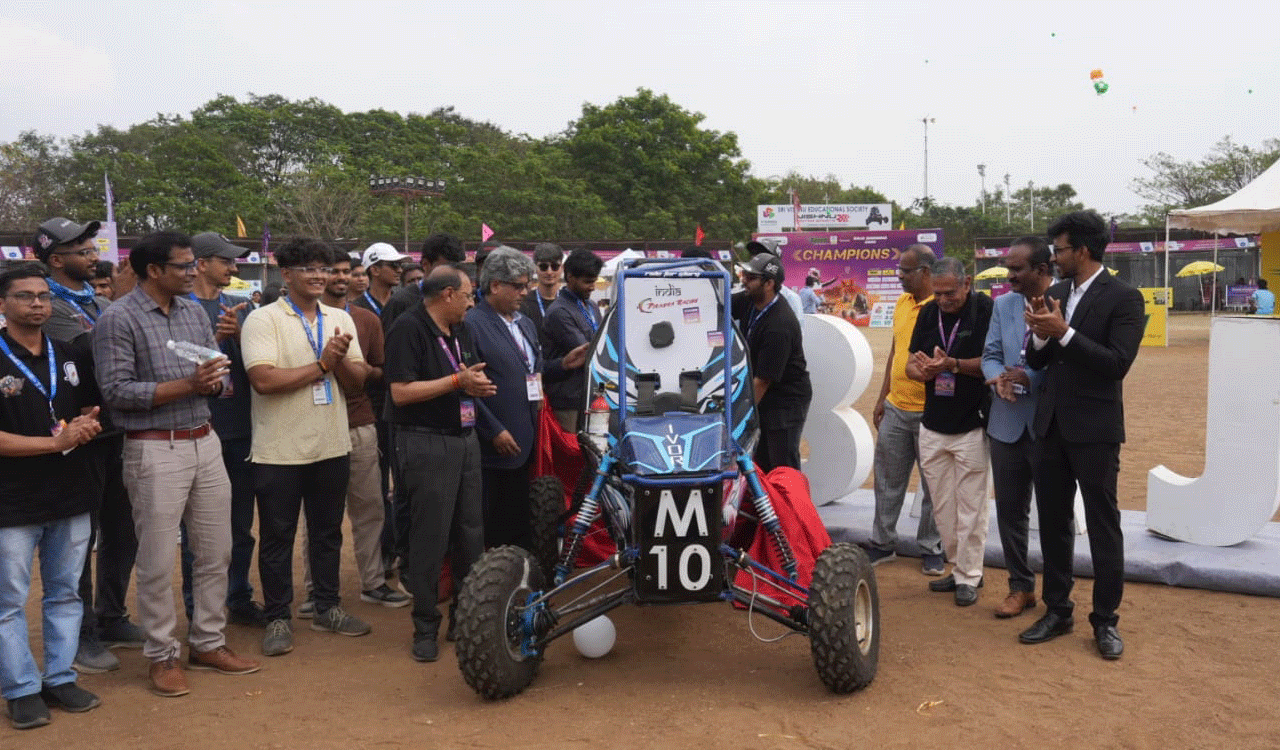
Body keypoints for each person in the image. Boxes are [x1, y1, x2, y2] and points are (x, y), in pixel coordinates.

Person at [93, 231, 260, 698]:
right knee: (156, 558)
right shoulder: (118, 319)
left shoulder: (192, 312)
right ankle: (162, 654)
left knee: (215, 550)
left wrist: (211, 383)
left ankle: (208, 642)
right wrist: (191, 384)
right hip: (152, 447)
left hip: (203, 440)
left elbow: (214, 376)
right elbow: (118, 392)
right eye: (184, 266)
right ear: (153, 271)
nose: (192, 272)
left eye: (192, 265)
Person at [1020, 210, 1145, 660]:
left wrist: (1064, 332)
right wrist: (1038, 338)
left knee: (1102, 524)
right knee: (1053, 523)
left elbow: (1116, 364)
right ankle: (1058, 610)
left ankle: (1105, 620)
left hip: (1095, 429)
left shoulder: (1125, 298)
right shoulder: (1053, 293)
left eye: (1060, 249)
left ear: (1084, 251)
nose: (1054, 257)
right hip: (1049, 426)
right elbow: (1036, 362)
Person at [241, 239, 372, 657]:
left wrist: (341, 362)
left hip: (331, 445)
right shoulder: (263, 320)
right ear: (287, 274)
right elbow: (263, 380)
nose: (321, 276)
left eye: (326, 269)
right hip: (279, 450)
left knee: (328, 533)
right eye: (310, 268)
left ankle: (327, 607)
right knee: (278, 536)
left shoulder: (339, 318)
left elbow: (356, 383)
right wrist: (322, 365)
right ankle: (278, 616)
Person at [34, 217, 142, 673]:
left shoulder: (98, 301)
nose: (92, 254)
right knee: (80, 538)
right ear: (56, 260)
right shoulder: (48, 305)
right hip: (76, 435)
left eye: (89, 245)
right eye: (81, 248)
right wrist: (124, 297)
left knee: (123, 527)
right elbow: (92, 352)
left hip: (116, 428)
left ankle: (112, 614)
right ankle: (81, 634)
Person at [0, 264, 104, 729]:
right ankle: (21, 688)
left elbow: (86, 407)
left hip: (69, 493)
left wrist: (86, 425)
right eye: (25, 296)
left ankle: (60, 677)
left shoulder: (69, 353)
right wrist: (54, 444)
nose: (37, 303)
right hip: (11, 501)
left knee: (65, 593)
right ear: (3, 304)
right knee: (8, 600)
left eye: (43, 295)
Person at [384, 266, 494, 663]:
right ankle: (424, 625)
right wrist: (456, 383)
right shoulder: (408, 329)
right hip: (424, 443)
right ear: (447, 294)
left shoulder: (461, 329)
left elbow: (469, 374)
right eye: (467, 295)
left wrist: (474, 385)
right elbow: (399, 392)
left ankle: (463, 618)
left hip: (465, 441)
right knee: (429, 536)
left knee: (470, 533)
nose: (471, 302)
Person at [309, 254, 408, 609]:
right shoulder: (303, 319)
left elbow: (384, 372)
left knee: (370, 508)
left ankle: (373, 582)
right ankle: (314, 589)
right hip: (314, 425)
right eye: (331, 270)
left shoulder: (367, 320)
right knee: (319, 515)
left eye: (345, 272)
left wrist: (363, 371)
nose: (339, 277)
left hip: (360, 422)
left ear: (356, 277)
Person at [179, 232, 265, 627]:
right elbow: (176, 370)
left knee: (240, 526)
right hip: (197, 429)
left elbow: (259, 366)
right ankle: (199, 609)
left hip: (241, 428)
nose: (233, 268)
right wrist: (216, 338)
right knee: (197, 532)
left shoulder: (241, 307)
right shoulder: (178, 308)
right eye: (225, 261)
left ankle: (239, 596)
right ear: (200, 264)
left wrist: (242, 333)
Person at [906, 257, 993, 607]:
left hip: (972, 424)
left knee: (972, 506)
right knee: (943, 509)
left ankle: (969, 576)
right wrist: (924, 371)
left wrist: (953, 365)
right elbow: (912, 362)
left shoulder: (986, 310)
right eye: (938, 294)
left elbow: (994, 362)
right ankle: (962, 567)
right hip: (933, 424)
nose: (944, 300)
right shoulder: (928, 313)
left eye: (950, 293)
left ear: (967, 283)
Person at [864, 244, 945, 576]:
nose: (898, 276)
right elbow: (897, 351)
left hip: (932, 412)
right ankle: (882, 544)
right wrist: (883, 396)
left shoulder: (942, 306)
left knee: (933, 485)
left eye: (904, 271)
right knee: (887, 479)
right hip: (897, 408)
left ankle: (931, 547)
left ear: (925, 272)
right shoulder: (900, 303)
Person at [981, 238, 1052, 618]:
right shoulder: (1004, 305)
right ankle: (1020, 587)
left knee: (1055, 514)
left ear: (1041, 270)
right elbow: (992, 354)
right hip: (1005, 423)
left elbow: (1063, 362)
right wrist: (998, 379)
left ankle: (1057, 594)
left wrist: (1030, 378)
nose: (1009, 277)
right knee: (1010, 511)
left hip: (1048, 423)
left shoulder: (1062, 303)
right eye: (1008, 269)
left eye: (1017, 269)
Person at [734, 253, 812, 472]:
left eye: (751, 277)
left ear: (769, 284)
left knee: (782, 466)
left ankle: (789, 506)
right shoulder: (751, 301)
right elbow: (720, 305)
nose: (744, 281)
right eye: (744, 275)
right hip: (764, 394)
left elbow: (762, 381)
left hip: (785, 400)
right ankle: (766, 505)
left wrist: (738, 417)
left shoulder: (779, 324)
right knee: (761, 463)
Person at [544, 248, 603, 432]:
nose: (592, 287)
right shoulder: (559, 312)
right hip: (567, 400)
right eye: (587, 282)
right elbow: (589, 351)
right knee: (571, 453)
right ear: (570, 277)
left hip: (590, 395)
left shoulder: (591, 305)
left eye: (594, 281)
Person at [519, 242, 564, 354]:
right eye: (543, 267)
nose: (549, 272)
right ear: (535, 268)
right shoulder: (524, 303)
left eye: (554, 266)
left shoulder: (569, 301)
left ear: (561, 268)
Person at [746, 240, 803, 319]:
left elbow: (798, 330)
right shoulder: (747, 294)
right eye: (754, 255)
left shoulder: (791, 299)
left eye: (763, 255)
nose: (756, 259)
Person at [352, 242, 409, 318]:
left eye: (400, 265)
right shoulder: (356, 309)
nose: (400, 270)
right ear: (375, 270)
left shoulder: (403, 304)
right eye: (394, 265)